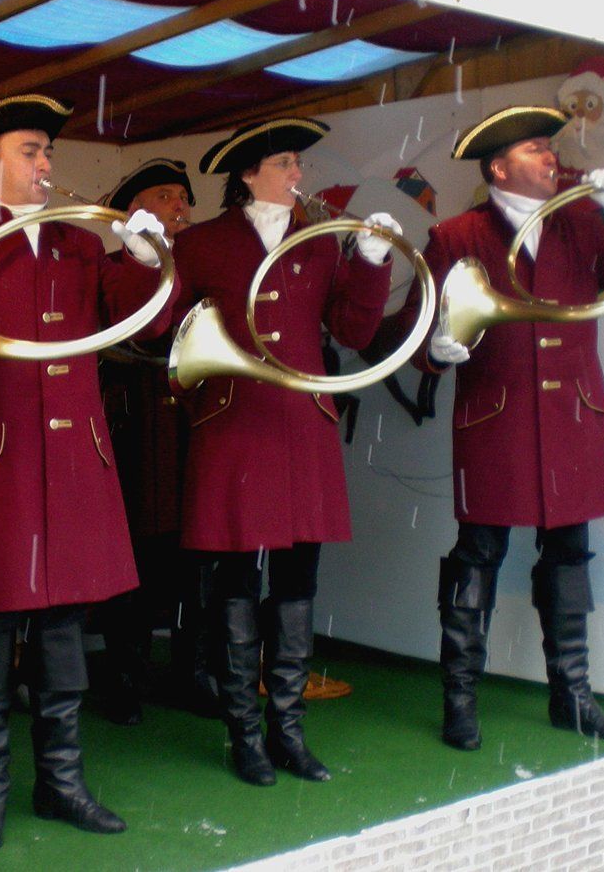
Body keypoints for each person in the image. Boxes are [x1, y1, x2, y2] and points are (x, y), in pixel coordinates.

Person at [0, 94, 174, 852]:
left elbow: (143, 322)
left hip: (72, 459)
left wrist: (144, 260)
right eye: (30, 150)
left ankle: (61, 784)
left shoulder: (79, 243)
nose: (46, 163)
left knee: (61, 631)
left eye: (48, 150)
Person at [406, 105, 604, 752]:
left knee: (569, 555)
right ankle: (459, 698)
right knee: (476, 555)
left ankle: (571, 695)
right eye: (534, 149)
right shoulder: (456, 234)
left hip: (573, 414)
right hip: (496, 417)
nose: (551, 157)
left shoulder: (583, 221)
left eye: (549, 147)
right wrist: (436, 347)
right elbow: (416, 331)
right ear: (497, 168)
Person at [173, 118, 397, 786]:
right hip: (233, 423)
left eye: (298, 163)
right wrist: (144, 258)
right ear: (248, 174)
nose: (298, 175)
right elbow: (165, 334)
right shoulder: (200, 242)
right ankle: (244, 734)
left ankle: (288, 733)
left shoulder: (321, 240)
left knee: (299, 579)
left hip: (303, 425)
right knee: (237, 581)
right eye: (284, 163)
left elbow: (352, 330)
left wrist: (371, 261)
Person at [94, 158, 218, 725]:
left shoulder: (203, 267)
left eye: (183, 197)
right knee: (133, 558)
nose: (180, 206)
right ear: (134, 209)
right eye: (165, 195)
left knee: (200, 558)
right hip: (136, 428)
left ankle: (194, 674)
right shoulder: (108, 268)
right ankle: (125, 677)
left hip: (198, 426)